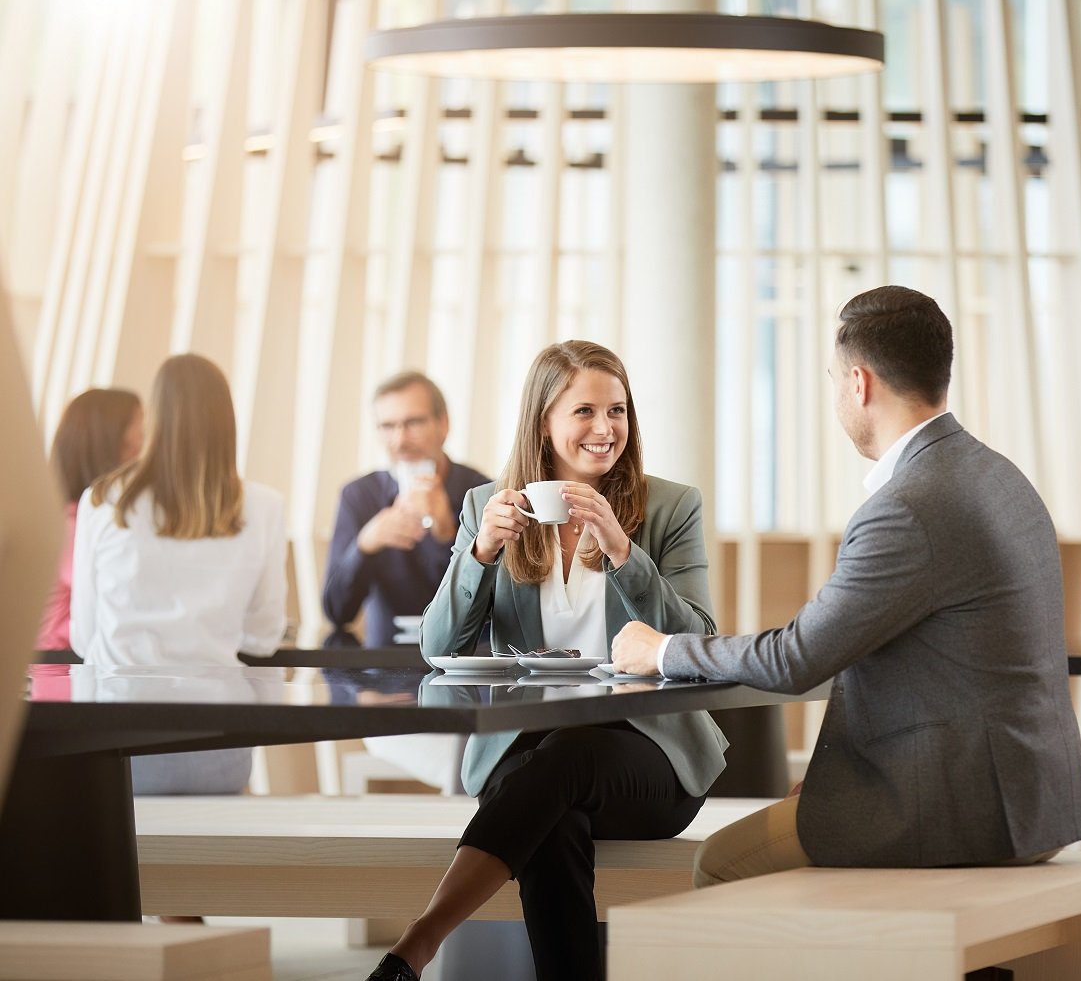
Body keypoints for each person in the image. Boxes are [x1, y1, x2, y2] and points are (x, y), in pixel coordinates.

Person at [613, 285, 1081, 883]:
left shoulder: (909, 507)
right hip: (1033, 800)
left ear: (859, 384)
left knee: (716, 865)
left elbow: (796, 659)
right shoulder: (998, 476)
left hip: (956, 812)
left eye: (833, 378)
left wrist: (659, 648)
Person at [366, 341, 727, 981]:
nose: (605, 428)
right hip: (535, 756)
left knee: (564, 758)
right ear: (543, 423)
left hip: (648, 752)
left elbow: (697, 641)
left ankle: (417, 944)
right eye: (584, 411)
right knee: (554, 820)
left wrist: (623, 551)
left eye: (617, 411)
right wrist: (477, 553)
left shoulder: (671, 507)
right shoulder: (487, 507)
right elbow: (438, 647)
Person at [71, 353, 286, 796]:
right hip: (218, 744)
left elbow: (84, 633)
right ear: (227, 419)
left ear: (155, 417)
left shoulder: (103, 499)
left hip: (116, 744)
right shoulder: (264, 505)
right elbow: (264, 636)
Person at [322, 371, 489, 647]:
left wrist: (447, 532)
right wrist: (365, 544)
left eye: (414, 423)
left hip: (466, 659)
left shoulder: (481, 492)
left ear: (443, 424)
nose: (400, 440)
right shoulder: (359, 496)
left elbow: (492, 606)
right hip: (384, 665)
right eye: (387, 426)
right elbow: (337, 613)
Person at [36, 387, 144, 650]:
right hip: (61, 666)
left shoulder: (76, 514)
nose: (144, 447)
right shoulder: (71, 522)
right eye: (139, 430)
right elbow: (119, 587)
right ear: (111, 442)